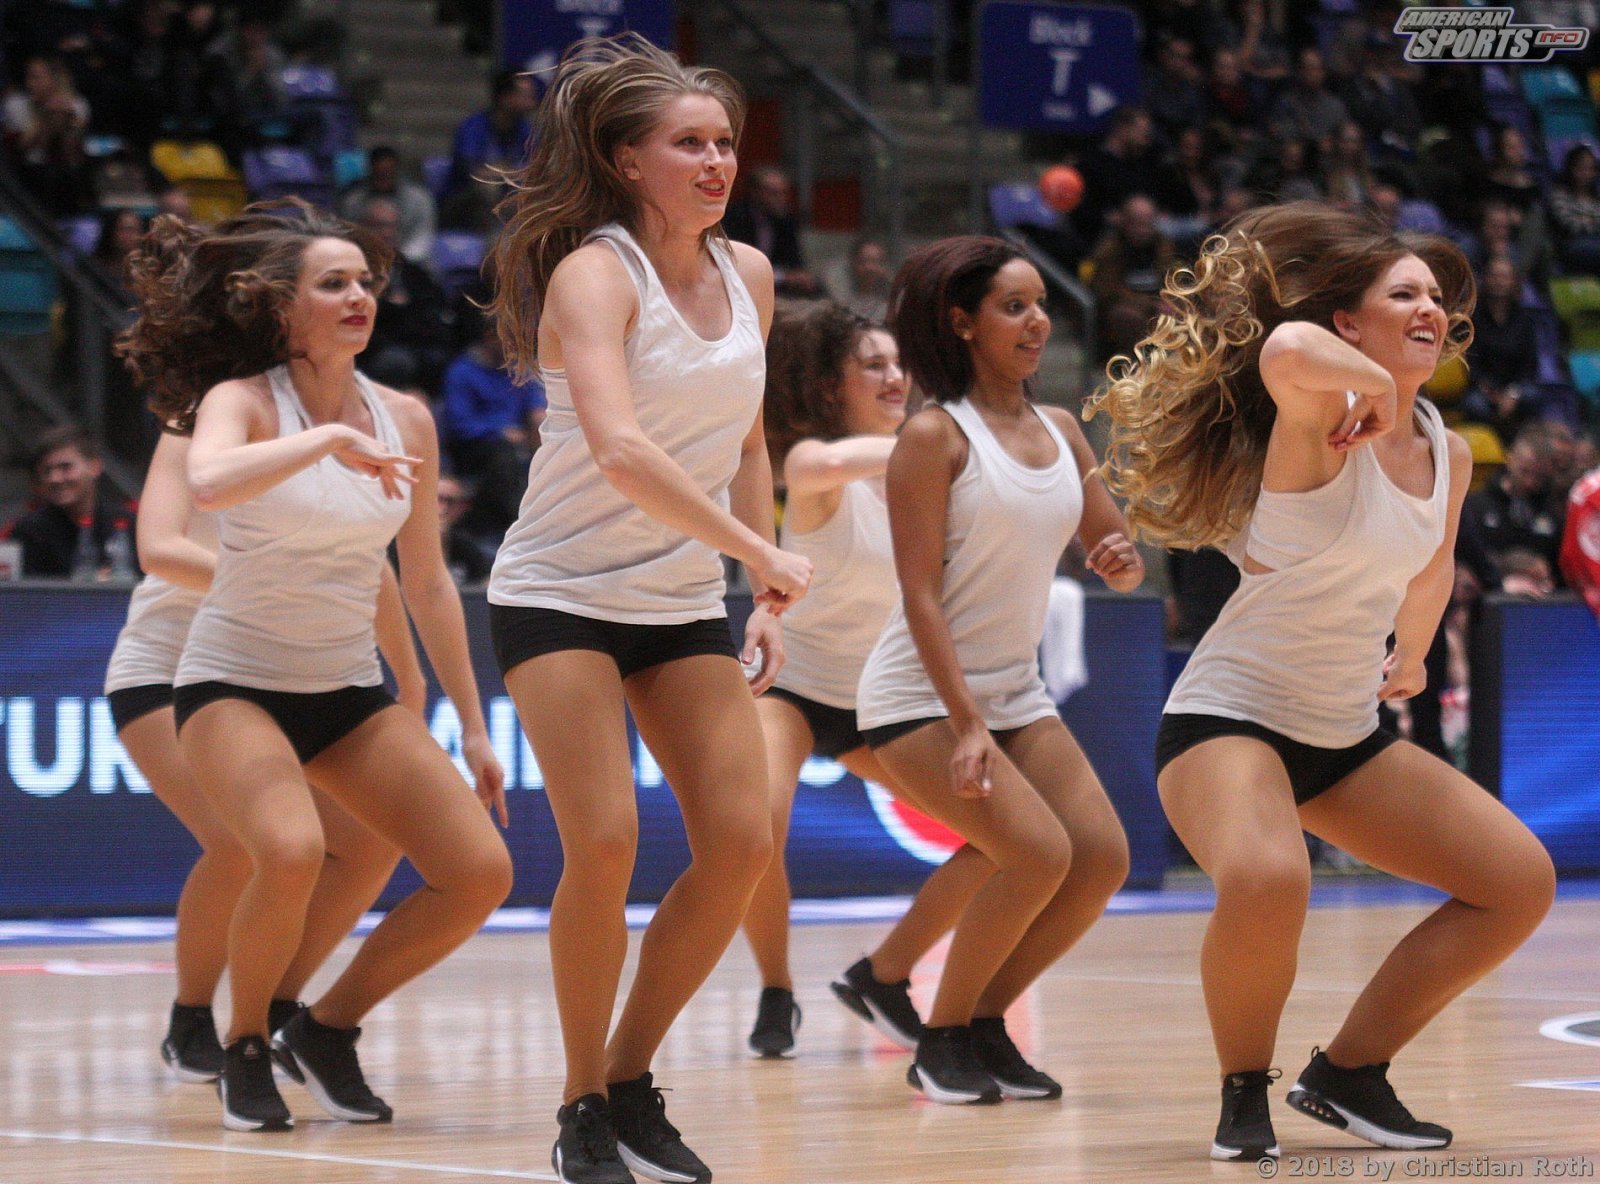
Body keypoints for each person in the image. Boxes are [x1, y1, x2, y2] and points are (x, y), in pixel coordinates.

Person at [1089, 201, 1555, 1161]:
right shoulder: (1319, 413)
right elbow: (1284, 347)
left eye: (1437, 298)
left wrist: (1412, 655)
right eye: (1403, 295)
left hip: (1342, 733)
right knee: (1269, 878)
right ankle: (1242, 1093)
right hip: (1227, 718)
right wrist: (1372, 389)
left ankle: (1349, 1073)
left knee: (1517, 883)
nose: (1430, 309)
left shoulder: (1448, 449)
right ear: (1351, 323)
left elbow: (1430, 569)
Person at [485, 34, 812, 1184]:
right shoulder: (595, 273)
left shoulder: (751, 273)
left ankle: (630, 1077)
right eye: (689, 144)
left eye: (724, 142)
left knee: (741, 841)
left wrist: (761, 589)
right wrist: (756, 547)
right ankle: (579, 1100)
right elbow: (620, 449)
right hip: (559, 590)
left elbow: (747, 441)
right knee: (606, 841)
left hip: (678, 599)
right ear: (628, 161)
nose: (716, 162)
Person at [118, 197, 513, 1133]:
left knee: (480, 872)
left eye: (365, 282)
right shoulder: (243, 401)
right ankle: (243, 1042)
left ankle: (327, 1028)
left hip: (343, 689)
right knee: (288, 851)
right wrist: (329, 442)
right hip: (231, 681)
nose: (359, 296)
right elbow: (208, 481)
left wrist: (471, 722)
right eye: (333, 283)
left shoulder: (406, 418)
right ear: (281, 307)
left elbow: (425, 582)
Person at [856, 236, 1139, 1106]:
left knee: (1100, 858)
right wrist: (967, 721)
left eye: (1040, 305)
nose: (1038, 322)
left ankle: (984, 1023)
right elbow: (918, 594)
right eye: (1014, 307)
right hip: (919, 697)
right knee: (1035, 853)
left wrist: (1120, 559)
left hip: (1016, 693)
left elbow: (1112, 550)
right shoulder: (933, 436)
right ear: (962, 324)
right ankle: (939, 1041)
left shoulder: (1061, 430)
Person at [104, 428, 420, 1081]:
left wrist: (409, 675)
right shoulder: (193, 429)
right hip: (169, 672)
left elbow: (368, 562)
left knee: (367, 843)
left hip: (283, 675)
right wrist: (274, 586)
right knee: (242, 843)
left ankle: (278, 1006)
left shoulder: (329, 424)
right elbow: (158, 550)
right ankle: (192, 1018)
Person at [737, 301, 989, 1060]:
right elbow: (832, 466)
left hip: (883, 700)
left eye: (899, 363)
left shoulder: (928, 484)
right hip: (793, 687)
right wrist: (963, 437)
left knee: (1009, 835)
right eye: (872, 365)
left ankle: (883, 974)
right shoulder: (813, 462)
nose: (893, 376)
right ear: (830, 388)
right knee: (756, 828)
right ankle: (776, 989)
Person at [2, 426, 137, 578]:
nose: (55, 479)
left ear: (95, 466)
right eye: (47, 471)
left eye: (65, 467)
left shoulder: (127, 525)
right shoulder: (29, 532)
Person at [441, 67, 536, 230]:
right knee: (489, 188)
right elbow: (473, 172)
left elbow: (534, 171)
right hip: (464, 201)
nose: (532, 102)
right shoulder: (473, 127)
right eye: (525, 96)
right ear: (505, 97)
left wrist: (505, 173)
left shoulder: (526, 130)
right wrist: (509, 173)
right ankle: (490, 240)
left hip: (509, 196)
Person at [339, 145, 437, 266]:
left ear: (396, 171)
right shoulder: (353, 200)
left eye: (388, 174)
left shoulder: (419, 199)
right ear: (371, 170)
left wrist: (397, 258)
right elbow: (347, 234)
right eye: (379, 174)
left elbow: (422, 238)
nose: (383, 179)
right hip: (362, 260)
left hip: (409, 263)